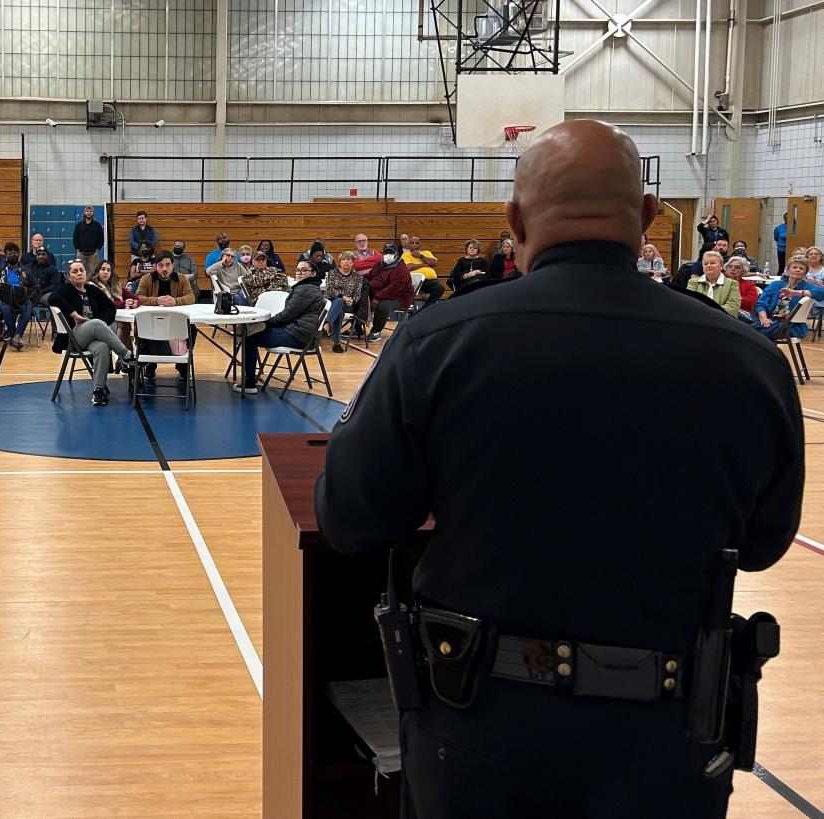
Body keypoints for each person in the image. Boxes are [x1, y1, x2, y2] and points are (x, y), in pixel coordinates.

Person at [315, 120, 801, 819]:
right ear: (646, 216)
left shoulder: (438, 343)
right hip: (667, 743)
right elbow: (763, 542)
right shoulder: (749, 360)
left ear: (513, 220)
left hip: (480, 732)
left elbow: (350, 516)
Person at [48, 259, 136, 406]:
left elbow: (110, 308)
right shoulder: (66, 289)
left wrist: (101, 324)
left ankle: (98, 392)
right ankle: (126, 355)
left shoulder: (92, 289)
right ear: (69, 277)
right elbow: (51, 298)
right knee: (96, 323)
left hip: (94, 334)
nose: (79, 273)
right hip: (74, 338)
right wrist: (73, 314)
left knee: (102, 347)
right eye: (74, 272)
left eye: (81, 270)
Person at [234, 259, 327, 393]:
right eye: (297, 270)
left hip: (298, 336)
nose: (299, 273)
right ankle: (249, 378)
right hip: (300, 332)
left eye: (304, 270)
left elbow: (287, 315)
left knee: (249, 336)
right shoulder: (308, 287)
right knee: (252, 332)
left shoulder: (305, 290)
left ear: (313, 273)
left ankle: (249, 383)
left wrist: (265, 323)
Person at [135, 250, 195, 382]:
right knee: (139, 327)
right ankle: (149, 365)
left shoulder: (181, 278)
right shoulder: (146, 279)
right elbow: (138, 297)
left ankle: (183, 365)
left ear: (173, 266)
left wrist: (176, 301)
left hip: (176, 322)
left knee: (192, 328)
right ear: (155, 266)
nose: (164, 269)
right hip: (152, 322)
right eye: (161, 265)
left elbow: (191, 296)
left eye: (168, 265)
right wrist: (156, 301)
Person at [753, 254, 824, 341]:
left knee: (752, 332)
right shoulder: (776, 285)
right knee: (743, 324)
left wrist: (795, 293)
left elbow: (821, 293)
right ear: (788, 270)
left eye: (801, 268)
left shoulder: (807, 286)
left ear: (805, 272)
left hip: (790, 326)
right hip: (768, 320)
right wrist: (763, 318)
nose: (797, 270)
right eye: (794, 267)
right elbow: (761, 303)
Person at [0, 250, 39, 351]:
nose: (12, 255)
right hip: (4, 299)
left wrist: (29, 295)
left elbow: (36, 287)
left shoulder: (26, 271)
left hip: (22, 299)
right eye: (10, 253)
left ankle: (16, 337)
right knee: (6, 307)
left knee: (28, 306)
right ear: (6, 256)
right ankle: (14, 336)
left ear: (18, 256)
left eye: (14, 253)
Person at [364, 242, 414, 342]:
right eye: (386, 252)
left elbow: (394, 288)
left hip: (399, 297)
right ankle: (357, 328)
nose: (387, 255)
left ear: (396, 254)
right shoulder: (380, 264)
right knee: (360, 297)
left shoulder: (401, 269)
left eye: (390, 252)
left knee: (383, 306)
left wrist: (377, 298)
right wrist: (357, 278)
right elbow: (370, 275)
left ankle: (376, 331)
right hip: (380, 292)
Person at [322, 250, 368, 352]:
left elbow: (357, 293)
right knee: (338, 304)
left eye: (348, 260)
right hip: (332, 301)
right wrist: (343, 297)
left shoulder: (357, 276)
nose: (345, 262)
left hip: (349, 304)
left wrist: (352, 300)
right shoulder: (332, 273)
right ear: (340, 261)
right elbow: (330, 290)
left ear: (353, 262)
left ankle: (327, 325)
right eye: (343, 259)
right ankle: (336, 343)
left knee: (339, 304)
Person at [688, 251, 742, 317]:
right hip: (699, 320)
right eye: (705, 263)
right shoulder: (693, 282)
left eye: (712, 263)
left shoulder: (732, 284)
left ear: (721, 266)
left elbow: (732, 308)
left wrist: (709, 313)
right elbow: (690, 304)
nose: (708, 265)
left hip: (723, 321)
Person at [400, 234, 444, 307]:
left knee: (440, 288)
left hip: (430, 280)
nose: (414, 245)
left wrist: (421, 256)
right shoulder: (406, 255)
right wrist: (423, 264)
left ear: (420, 244)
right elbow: (408, 267)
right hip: (414, 281)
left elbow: (434, 263)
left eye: (417, 243)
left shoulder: (426, 253)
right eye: (412, 243)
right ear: (409, 245)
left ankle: (426, 308)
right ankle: (426, 309)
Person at [724, 256, 760, 321]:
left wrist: (730, 296)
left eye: (737, 267)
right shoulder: (720, 282)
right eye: (730, 266)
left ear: (743, 271)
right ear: (726, 269)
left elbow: (751, 303)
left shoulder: (749, 284)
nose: (732, 269)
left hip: (742, 315)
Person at [72, 205, 105, 274]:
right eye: (87, 211)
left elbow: (101, 239)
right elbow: (75, 238)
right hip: (81, 254)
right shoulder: (79, 225)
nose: (89, 213)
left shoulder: (97, 225)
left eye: (90, 211)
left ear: (93, 213)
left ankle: (92, 285)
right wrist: (77, 250)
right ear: (84, 213)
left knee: (94, 273)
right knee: (81, 272)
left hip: (93, 254)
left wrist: (97, 250)